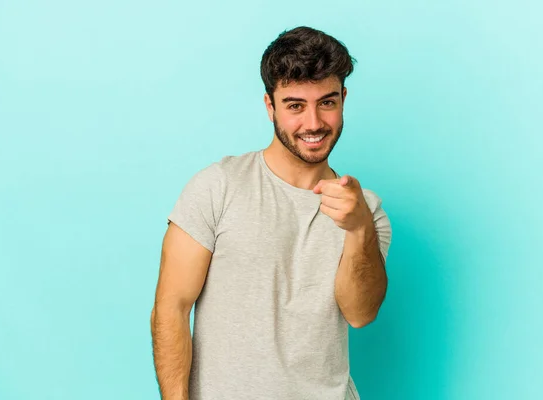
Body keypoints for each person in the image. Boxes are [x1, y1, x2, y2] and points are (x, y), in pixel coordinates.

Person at [151, 26, 392, 400]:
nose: (313, 123)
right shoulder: (218, 186)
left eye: (326, 102)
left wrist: (359, 230)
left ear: (343, 99)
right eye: (295, 105)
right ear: (270, 106)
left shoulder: (367, 210)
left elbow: (360, 314)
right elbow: (171, 309)